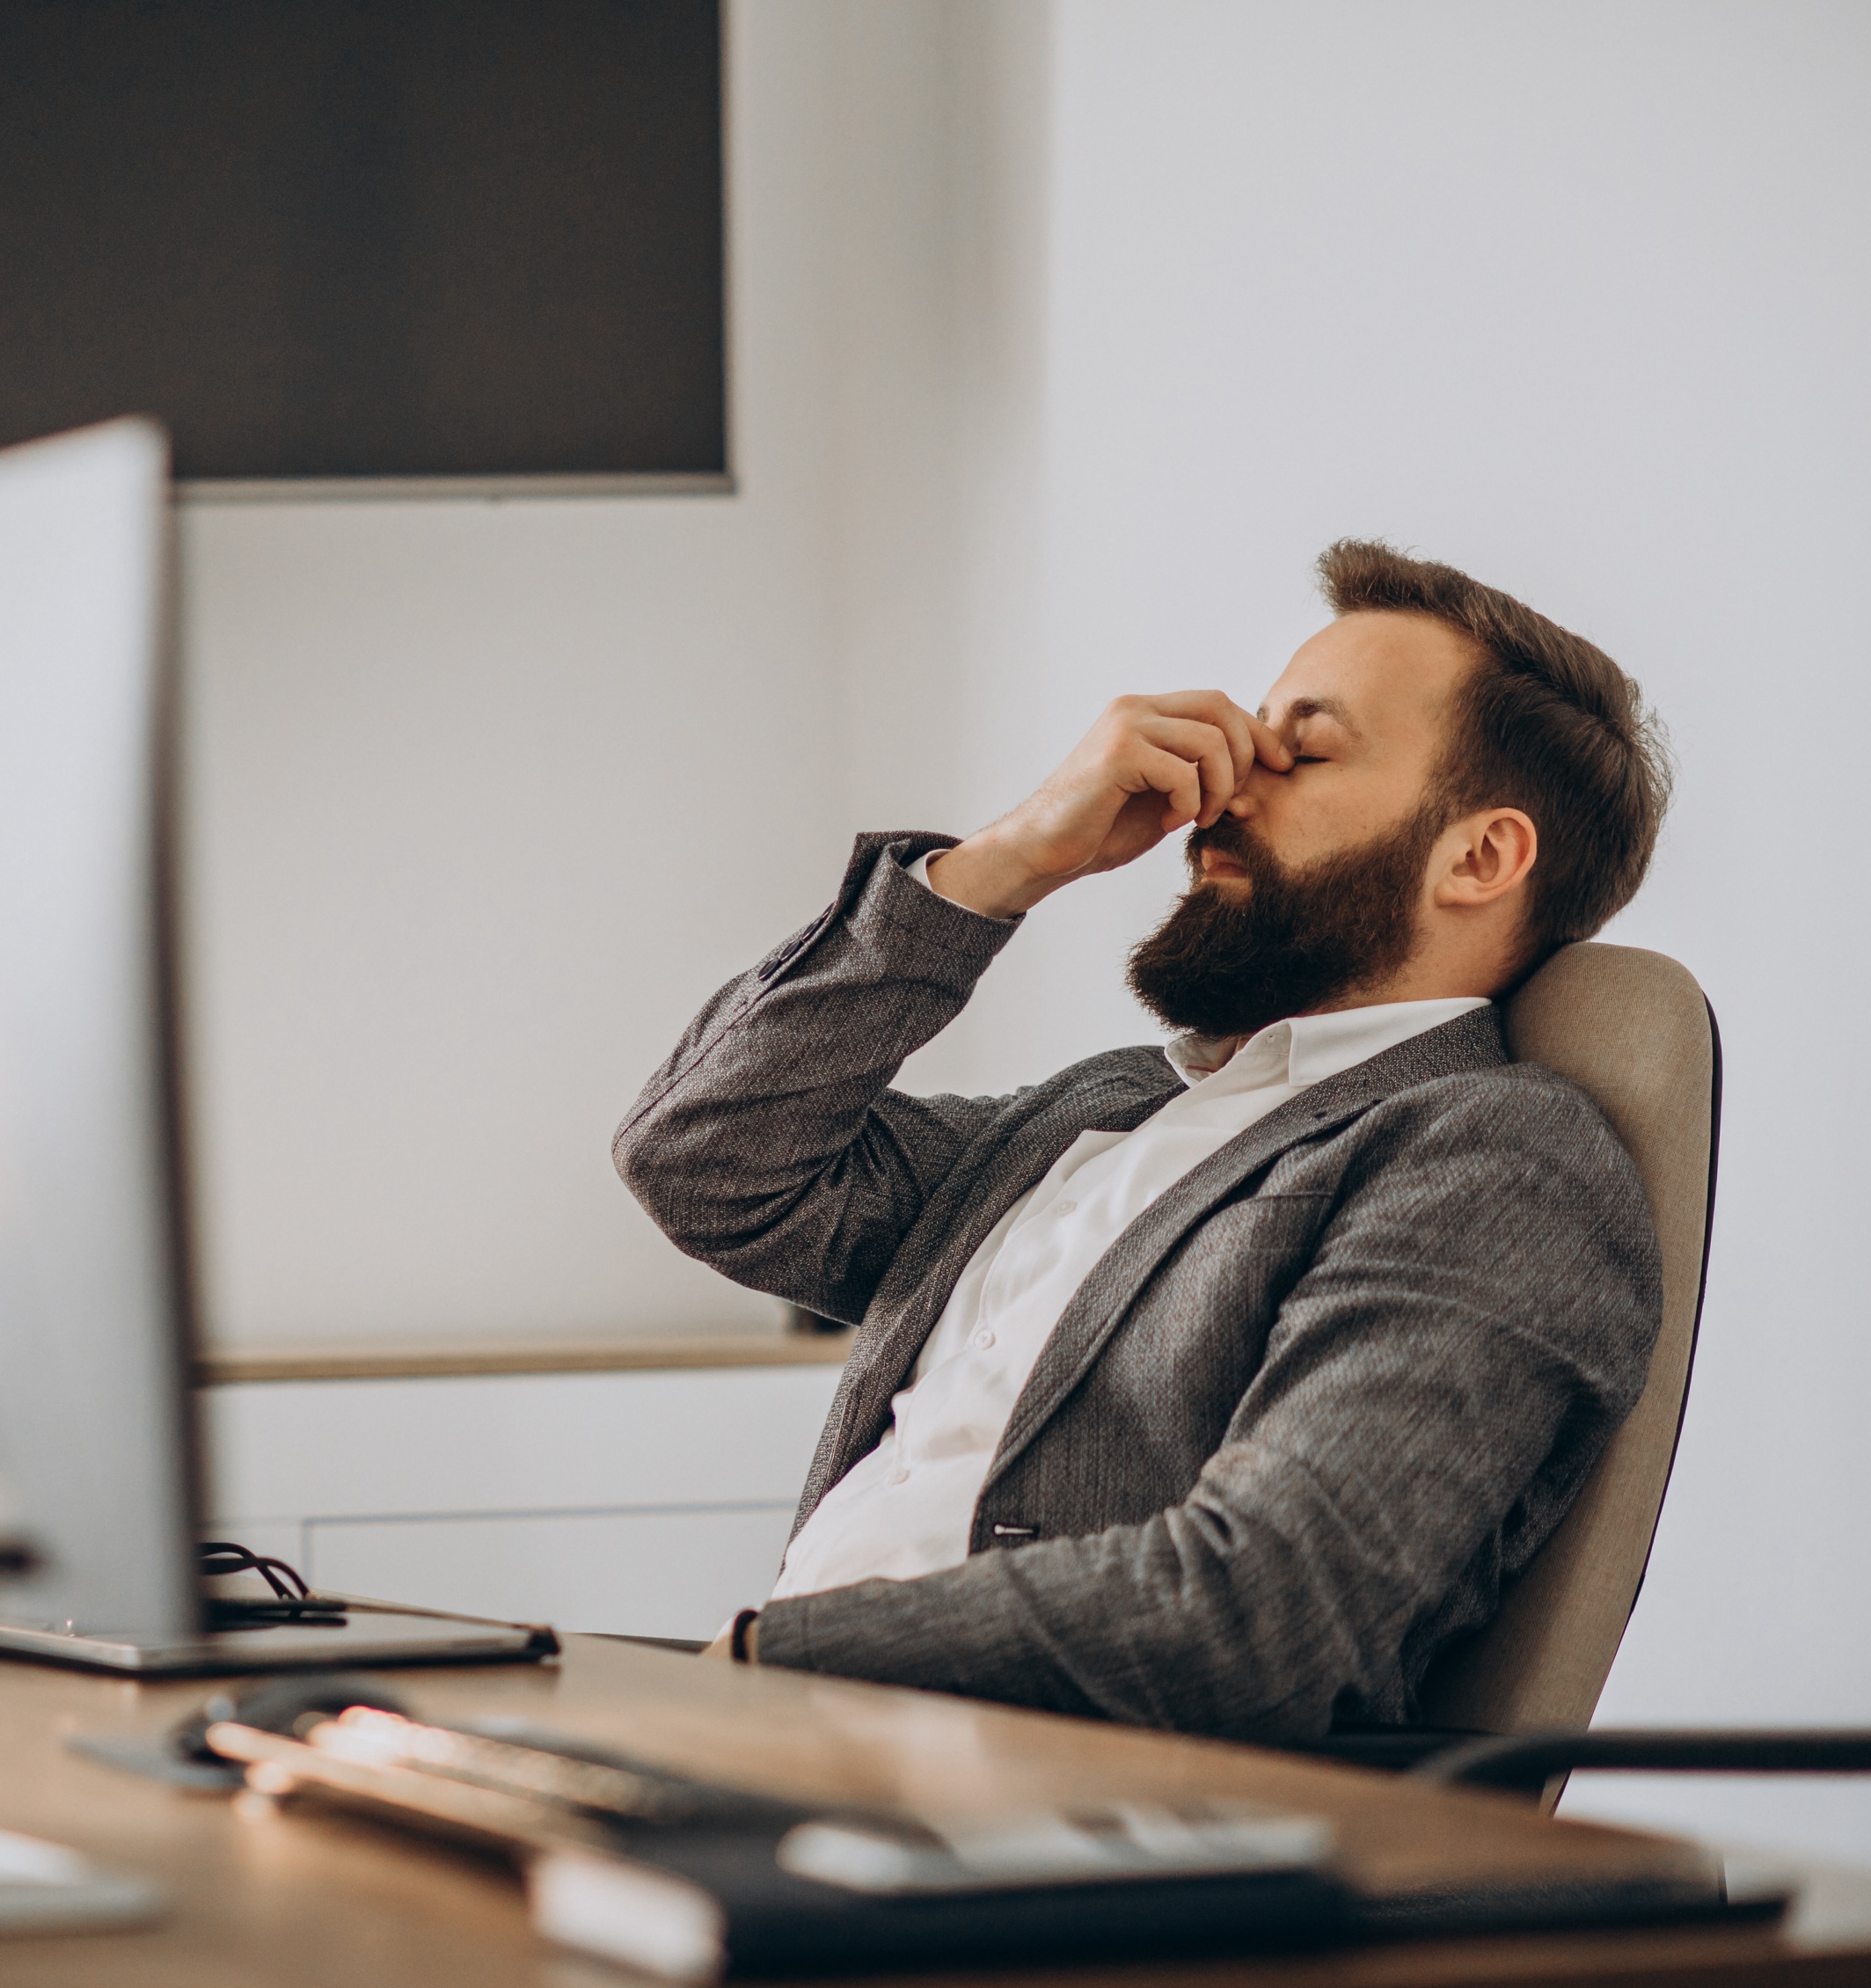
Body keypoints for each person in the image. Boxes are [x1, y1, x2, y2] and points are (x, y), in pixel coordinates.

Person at [614, 540, 1672, 1743]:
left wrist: (779, 1658)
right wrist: (999, 865)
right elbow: (703, 1160)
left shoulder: (1491, 1160)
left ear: (1479, 856)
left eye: (1304, 753)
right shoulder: (1097, 1112)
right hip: (800, 1748)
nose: (1219, 793)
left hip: (1056, 1819)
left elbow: (1264, 1610)